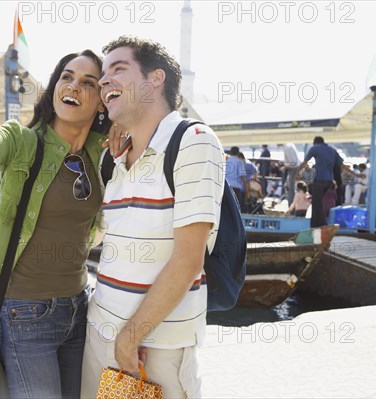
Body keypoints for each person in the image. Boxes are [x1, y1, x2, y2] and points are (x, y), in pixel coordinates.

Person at [0, 19, 116, 399]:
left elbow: (94, 229)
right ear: (53, 89)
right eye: (67, 76)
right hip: (25, 312)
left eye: (88, 83)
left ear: (101, 101)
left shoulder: (104, 153)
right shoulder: (21, 141)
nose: (73, 86)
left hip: (81, 308)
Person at [81, 36, 225, 398]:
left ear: (155, 79)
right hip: (101, 333)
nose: (103, 82)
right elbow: (98, 238)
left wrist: (129, 341)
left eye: (118, 69)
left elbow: (189, 258)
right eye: (102, 76)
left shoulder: (193, 140)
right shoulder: (117, 157)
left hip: (155, 348)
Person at [296, 136, 361, 227]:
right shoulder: (332, 150)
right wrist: (356, 175)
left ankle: (321, 225)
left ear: (315, 142)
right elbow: (342, 165)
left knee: (316, 204)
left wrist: (298, 173)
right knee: (321, 203)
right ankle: (317, 224)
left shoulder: (315, 148)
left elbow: (305, 162)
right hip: (329, 181)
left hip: (319, 179)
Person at [225, 146, 248, 212]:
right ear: (238, 153)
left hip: (226, 186)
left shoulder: (226, 162)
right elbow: (243, 177)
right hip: (236, 187)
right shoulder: (240, 162)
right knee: (235, 207)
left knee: (226, 206)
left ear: (230, 152)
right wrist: (247, 190)